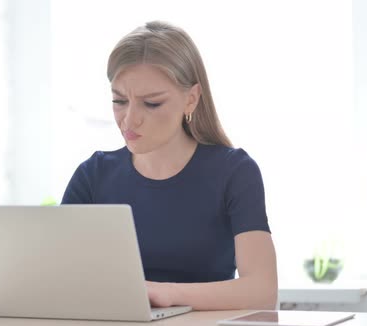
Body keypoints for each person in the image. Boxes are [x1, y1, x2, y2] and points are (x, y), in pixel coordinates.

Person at [61, 21, 277, 310]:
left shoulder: (234, 172)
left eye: (151, 104)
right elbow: (58, 278)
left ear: (191, 99)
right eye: (119, 100)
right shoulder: (93, 175)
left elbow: (262, 290)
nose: (129, 119)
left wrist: (168, 294)